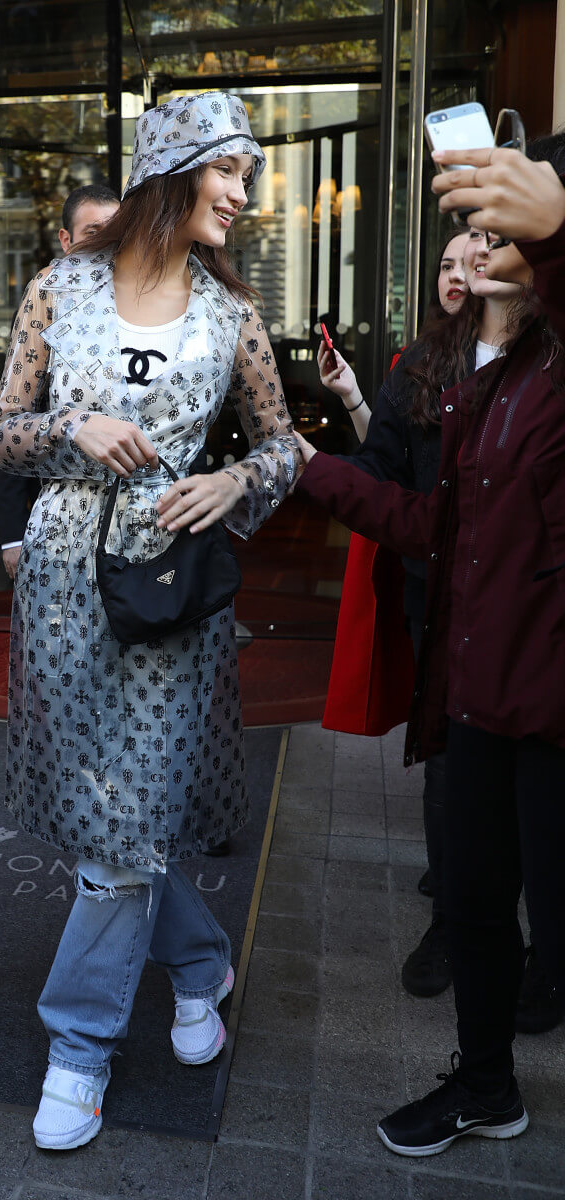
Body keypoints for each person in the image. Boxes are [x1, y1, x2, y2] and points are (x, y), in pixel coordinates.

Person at [0, 91, 297, 1150]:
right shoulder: (59, 288)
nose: (243, 198)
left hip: (171, 588)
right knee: (104, 818)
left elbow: (286, 447)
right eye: (230, 174)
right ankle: (201, 964)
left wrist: (232, 485)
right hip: (69, 583)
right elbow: (4, 434)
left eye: (247, 178)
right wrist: (78, 421)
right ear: (174, 172)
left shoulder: (230, 315)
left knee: (126, 827)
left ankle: (77, 1049)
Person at [293, 133, 565, 1158]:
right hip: (474, 701)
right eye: (468, 228)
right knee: (471, 904)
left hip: (548, 711)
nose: (477, 239)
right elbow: (430, 531)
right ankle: (485, 1086)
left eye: (504, 221)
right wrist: (296, 463)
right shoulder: (478, 383)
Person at [0, 184, 120, 580]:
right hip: (65, 523)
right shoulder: (48, 295)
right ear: (66, 240)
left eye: (116, 229)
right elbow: (11, 424)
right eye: (92, 231)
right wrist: (12, 537)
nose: (106, 241)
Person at [319, 231, 470, 441]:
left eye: (468, 265)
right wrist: (351, 393)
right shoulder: (413, 360)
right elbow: (384, 452)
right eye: (446, 267)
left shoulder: (508, 356)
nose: (454, 275)